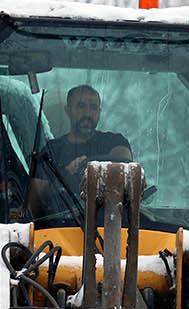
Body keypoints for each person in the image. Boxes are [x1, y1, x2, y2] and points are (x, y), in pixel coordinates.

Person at [26, 85, 131, 218]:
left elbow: (124, 163)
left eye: (93, 107)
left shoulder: (115, 142)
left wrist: (87, 166)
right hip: (60, 229)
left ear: (99, 112)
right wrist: (65, 174)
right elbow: (34, 204)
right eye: (81, 106)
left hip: (111, 226)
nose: (87, 113)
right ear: (68, 110)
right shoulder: (52, 151)